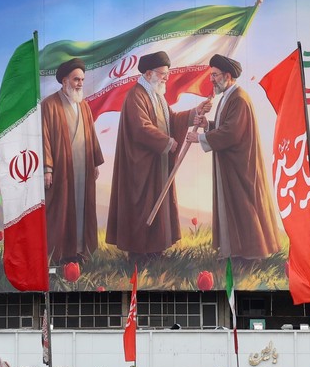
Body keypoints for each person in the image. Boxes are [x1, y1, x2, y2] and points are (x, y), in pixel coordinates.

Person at [105, 51, 208, 260]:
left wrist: (193, 113)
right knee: (142, 207)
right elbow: (141, 128)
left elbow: (171, 119)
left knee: (157, 207)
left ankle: (155, 250)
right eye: (162, 74)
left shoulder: (156, 96)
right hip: (140, 167)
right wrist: (167, 142)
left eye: (166, 74)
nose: (166, 78)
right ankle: (139, 253)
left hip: (156, 164)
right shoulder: (136, 95)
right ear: (149, 73)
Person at [184, 54, 282, 261]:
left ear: (227, 76)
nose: (211, 79)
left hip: (240, 166)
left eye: (215, 75)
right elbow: (225, 126)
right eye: (211, 75)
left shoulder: (239, 98)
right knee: (234, 207)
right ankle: (237, 251)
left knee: (244, 207)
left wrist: (199, 137)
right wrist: (207, 126)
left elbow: (232, 133)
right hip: (232, 163)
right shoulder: (229, 96)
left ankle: (251, 255)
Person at [41, 58, 104, 265]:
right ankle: (59, 255)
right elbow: (45, 138)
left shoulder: (83, 106)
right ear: (64, 80)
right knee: (60, 210)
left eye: (82, 80)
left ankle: (79, 252)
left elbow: (91, 135)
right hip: (61, 170)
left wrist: (94, 162)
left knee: (82, 209)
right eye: (76, 79)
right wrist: (47, 169)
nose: (79, 83)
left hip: (83, 169)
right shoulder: (49, 105)